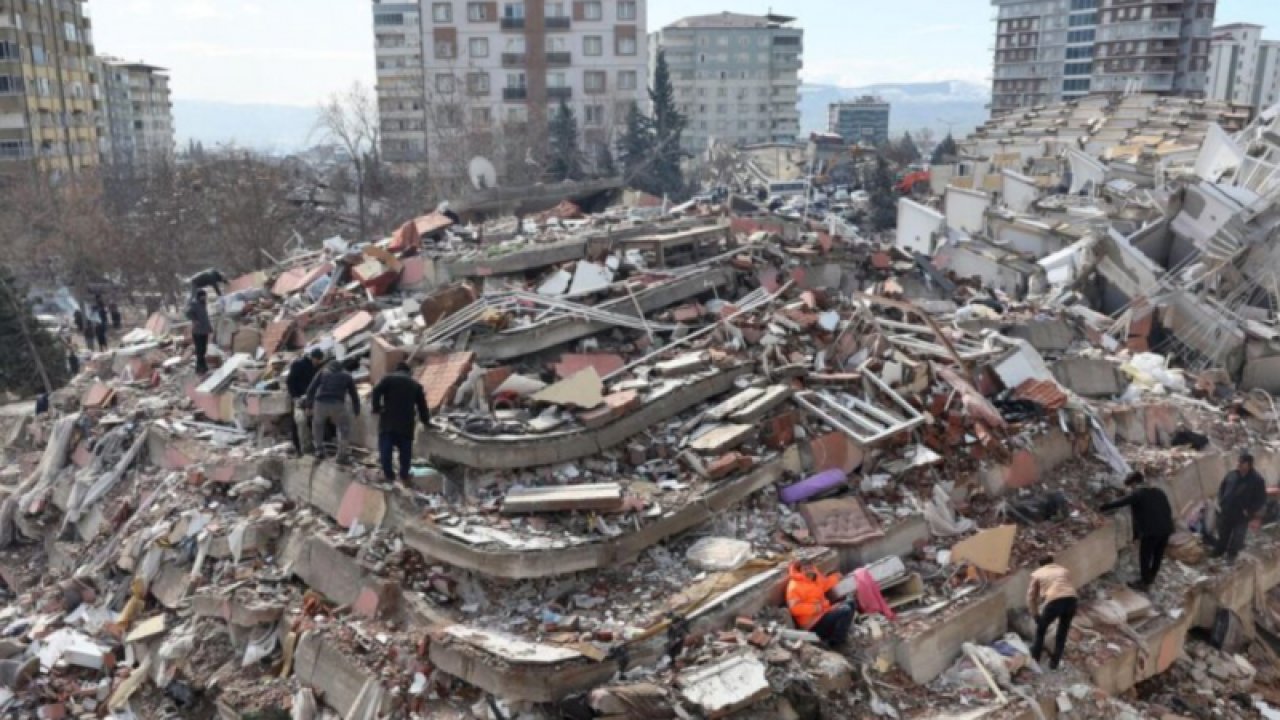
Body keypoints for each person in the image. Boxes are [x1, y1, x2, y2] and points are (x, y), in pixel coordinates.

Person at [1100, 471, 1174, 590]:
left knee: (1145, 556)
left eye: (1131, 486)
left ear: (1134, 483)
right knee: (1158, 555)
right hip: (1166, 529)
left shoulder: (1138, 493)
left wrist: (1104, 506)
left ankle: (1145, 582)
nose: (1131, 488)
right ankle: (1151, 577)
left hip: (1151, 531)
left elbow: (1121, 502)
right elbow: (1168, 510)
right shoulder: (1159, 492)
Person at [371, 362, 430, 482]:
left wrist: (377, 407)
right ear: (409, 372)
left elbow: (376, 390)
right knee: (405, 453)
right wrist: (426, 421)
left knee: (386, 450)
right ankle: (404, 475)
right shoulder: (416, 385)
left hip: (388, 422)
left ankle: (388, 475)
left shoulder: (388, 379)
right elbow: (422, 407)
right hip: (406, 424)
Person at [1213, 452, 1268, 561]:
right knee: (1223, 533)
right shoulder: (1232, 474)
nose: (1239, 464)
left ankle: (1231, 556)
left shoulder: (1257, 480)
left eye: (1242, 462)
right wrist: (1221, 501)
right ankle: (1218, 552)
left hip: (1242, 514)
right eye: (1239, 461)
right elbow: (1222, 487)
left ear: (1249, 464)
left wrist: (1250, 510)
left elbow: (1261, 499)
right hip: (1227, 510)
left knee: (1238, 536)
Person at [785, 561, 854, 648]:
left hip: (823, 614)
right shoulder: (794, 586)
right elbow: (794, 608)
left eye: (810, 568)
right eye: (805, 569)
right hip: (812, 624)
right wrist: (815, 608)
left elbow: (825, 584)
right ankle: (834, 643)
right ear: (799, 571)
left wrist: (836, 577)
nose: (808, 570)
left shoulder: (814, 579)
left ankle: (839, 635)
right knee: (845, 610)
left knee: (850, 603)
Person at [1027, 556, 1077, 670]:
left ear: (1040, 564)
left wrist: (1035, 615)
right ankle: (1055, 662)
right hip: (1071, 600)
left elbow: (1031, 597)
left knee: (1041, 630)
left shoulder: (1037, 574)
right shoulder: (1063, 570)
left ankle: (1036, 657)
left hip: (1054, 601)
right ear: (1052, 562)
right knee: (1062, 632)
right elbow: (1067, 586)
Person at [306, 359, 360, 464]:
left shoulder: (322, 372)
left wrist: (308, 406)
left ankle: (319, 450)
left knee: (318, 426)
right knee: (343, 428)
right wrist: (356, 409)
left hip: (320, 403)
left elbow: (310, 389)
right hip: (337, 404)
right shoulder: (347, 376)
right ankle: (341, 456)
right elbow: (354, 394)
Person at [286, 349, 325, 456]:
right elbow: (290, 381)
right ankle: (298, 447)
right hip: (298, 397)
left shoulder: (315, 367)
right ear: (313, 358)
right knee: (299, 422)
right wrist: (294, 396)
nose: (318, 362)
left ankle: (309, 446)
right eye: (317, 360)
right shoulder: (298, 364)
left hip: (310, 398)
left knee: (310, 422)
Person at [186, 290, 212, 374]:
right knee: (200, 350)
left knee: (203, 349)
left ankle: (202, 367)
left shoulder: (203, 304)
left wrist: (209, 328)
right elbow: (187, 313)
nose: (204, 297)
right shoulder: (195, 304)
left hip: (204, 331)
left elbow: (205, 318)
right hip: (197, 332)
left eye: (205, 296)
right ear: (199, 296)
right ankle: (200, 368)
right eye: (203, 296)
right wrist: (195, 320)